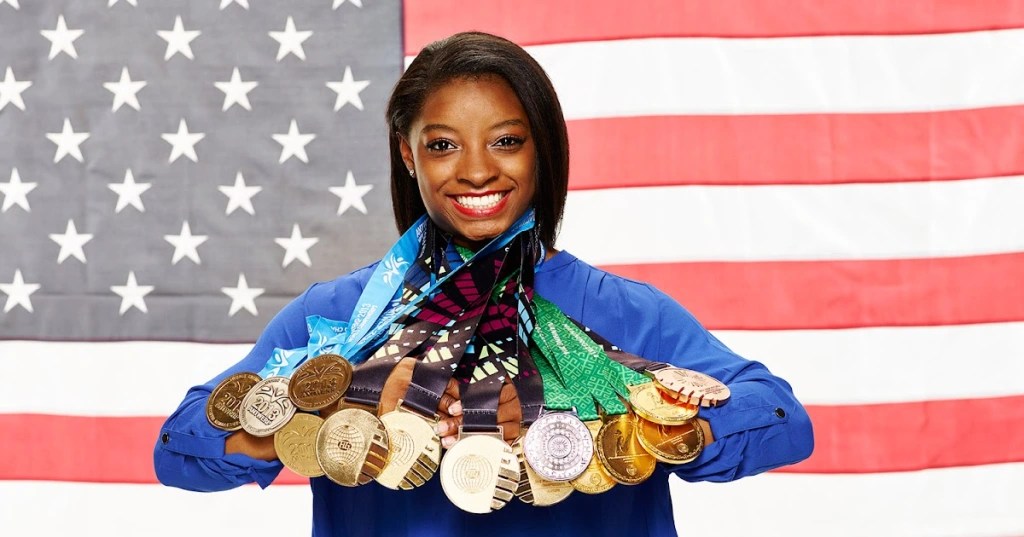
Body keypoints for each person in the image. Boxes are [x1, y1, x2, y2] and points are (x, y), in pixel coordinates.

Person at [154, 31, 814, 537]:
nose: (475, 171)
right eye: (443, 145)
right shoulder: (341, 315)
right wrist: (334, 405)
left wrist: (595, 400)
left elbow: (784, 419)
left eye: (505, 141)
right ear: (408, 152)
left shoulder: (620, 313)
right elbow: (179, 447)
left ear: (543, 150)